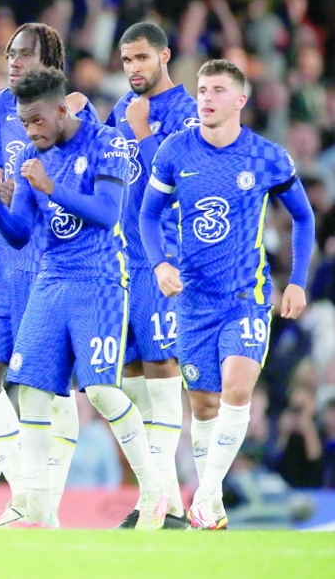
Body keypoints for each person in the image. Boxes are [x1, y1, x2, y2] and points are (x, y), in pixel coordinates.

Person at [0, 67, 166, 529]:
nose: (31, 130)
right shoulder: (29, 154)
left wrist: (52, 189)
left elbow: (108, 213)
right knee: (33, 393)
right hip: (50, 279)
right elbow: (21, 234)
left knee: (102, 391)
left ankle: (157, 491)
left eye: (38, 120)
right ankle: (41, 511)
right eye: (25, 123)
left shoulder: (106, 144)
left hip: (99, 280)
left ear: (62, 109)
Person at [139, 59, 315, 530]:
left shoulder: (266, 157)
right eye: (201, 88)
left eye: (217, 89)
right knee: (204, 406)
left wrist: (296, 279)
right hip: (192, 303)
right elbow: (148, 215)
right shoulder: (176, 151)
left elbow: (303, 217)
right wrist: (159, 264)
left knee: (238, 390)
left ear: (240, 100)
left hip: (245, 298)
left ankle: (206, 495)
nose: (206, 97)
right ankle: (212, 508)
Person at [0, 23, 98, 528]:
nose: (13, 60)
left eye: (25, 53)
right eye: (9, 53)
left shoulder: (76, 109)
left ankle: (44, 507)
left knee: (48, 390)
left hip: (53, 265)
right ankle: (26, 494)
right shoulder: (1, 109)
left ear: (52, 58)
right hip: (6, 260)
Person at [104, 22, 199, 529]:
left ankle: (164, 503)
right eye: (126, 61)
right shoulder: (120, 110)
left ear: (164, 55)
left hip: (164, 257)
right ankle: (159, 500)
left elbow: (179, 186)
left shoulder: (188, 113)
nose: (134, 69)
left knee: (164, 375)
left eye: (142, 58)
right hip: (124, 261)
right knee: (133, 382)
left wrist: (141, 133)